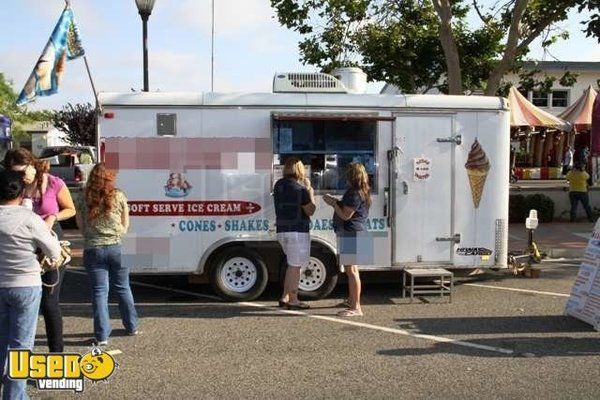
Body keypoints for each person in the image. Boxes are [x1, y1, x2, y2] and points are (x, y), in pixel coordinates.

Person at [3, 148, 76, 353]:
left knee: (49, 303)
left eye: (22, 171)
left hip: (49, 245)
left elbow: (71, 209)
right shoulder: (12, 185)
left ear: (33, 165)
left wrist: (53, 216)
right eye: (14, 172)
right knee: (22, 305)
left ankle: (56, 356)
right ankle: (18, 358)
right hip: (22, 248)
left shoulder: (53, 182)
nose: (19, 177)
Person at [0, 170, 61, 399]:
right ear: (21, 193)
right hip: (26, 284)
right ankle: (15, 396)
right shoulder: (29, 219)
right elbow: (53, 250)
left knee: (2, 342)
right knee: (21, 346)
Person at [76, 163, 138, 345]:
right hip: (117, 247)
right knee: (123, 288)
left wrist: (91, 234)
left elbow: (80, 225)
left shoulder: (83, 196)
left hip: (93, 249)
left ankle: (102, 336)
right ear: (110, 177)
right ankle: (132, 326)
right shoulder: (118, 195)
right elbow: (125, 224)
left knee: (99, 292)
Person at [323, 163, 371, 317]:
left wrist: (333, 203)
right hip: (355, 232)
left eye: (346, 173)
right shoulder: (362, 192)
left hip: (350, 232)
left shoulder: (353, 193)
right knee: (352, 270)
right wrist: (338, 202)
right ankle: (352, 301)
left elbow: (345, 215)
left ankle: (356, 307)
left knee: (352, 271)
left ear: (351, 176)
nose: (344, 176)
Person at [273, 158, 316, 310]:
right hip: (297, 231)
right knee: (295, 266)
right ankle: (294, 299)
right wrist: (310, 192)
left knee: (291, 263)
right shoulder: (300, 190)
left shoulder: (278, 185)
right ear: (300, 170)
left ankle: (284, 297)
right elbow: (310, 210)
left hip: (282, 230)